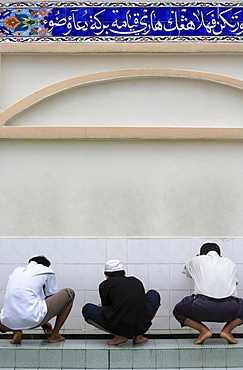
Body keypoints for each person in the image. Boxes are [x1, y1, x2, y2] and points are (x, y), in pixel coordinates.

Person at [173, 242, 243, 345]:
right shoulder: (230, 263)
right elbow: (234, 282)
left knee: (178, 310)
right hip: (229, 308)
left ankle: (203, 331)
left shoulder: (196, 260)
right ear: (220, 255)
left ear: (201, 254)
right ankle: (227, 331)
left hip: (202, 307)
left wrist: (197, 258)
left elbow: (187, 273)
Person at [82, 259, 161, 345]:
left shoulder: (105, 284)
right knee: (153, 294)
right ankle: (139, 336)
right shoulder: (135, 280)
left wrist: (103, 306)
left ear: (106, 276)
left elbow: (107, 307)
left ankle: (119, 336)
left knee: (87, 309)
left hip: (118, 323)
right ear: (124, 273)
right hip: (141, 323)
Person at [0, 255, 75, 344]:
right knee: (69, 293)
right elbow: (51, 297)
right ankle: (54, 335)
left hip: (7, 322)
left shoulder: (16, 271)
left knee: (8, 313)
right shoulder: (46, 271)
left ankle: (15, 331)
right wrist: (44, 321)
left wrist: (44, 323)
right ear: (45, 266)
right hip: (32, 319)